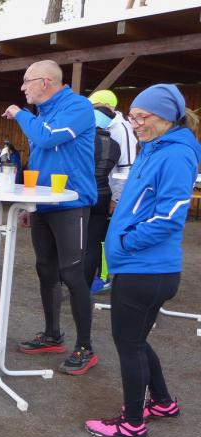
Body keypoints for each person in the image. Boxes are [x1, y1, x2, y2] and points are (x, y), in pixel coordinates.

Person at [85, 84, 200, 437]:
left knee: (129, 343)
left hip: (146, 268)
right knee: (135, 339)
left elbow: (170, 217)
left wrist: (126, 241)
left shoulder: (176, 155)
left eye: (141, 117)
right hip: (141, 267)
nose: (134, 124)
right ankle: (162, 402)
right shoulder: (155, 148)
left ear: (165, 116)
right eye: (132, 117)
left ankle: (132, 422)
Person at [2, 59, 98, 376]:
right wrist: (30, 204)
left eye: (26, 81)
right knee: (45, 270)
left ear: (45, 82)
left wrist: (20, 113)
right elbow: (40, 156)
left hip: (72, 203)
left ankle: (85, 347)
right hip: (43, 204)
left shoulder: (78, 107)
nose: (22, 87)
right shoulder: (43, 113)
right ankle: (52, 335)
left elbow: (47, 138)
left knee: (72, 273)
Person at [87, 89, 139, 293]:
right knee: (94, 236)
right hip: (98, 190)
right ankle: (91, 274)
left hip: (110, 193)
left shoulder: (122, 128)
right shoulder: (99, 126)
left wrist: (116, 198)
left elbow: (127, 168)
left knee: (104, 236)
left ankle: (103, 277)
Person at [84, 108, 121, 292]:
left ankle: (68, 280)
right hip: (104, 194)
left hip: (83, 194)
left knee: (74, 240)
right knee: (93, 243)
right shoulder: (115, 145)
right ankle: (86, 284)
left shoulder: (84, 140)